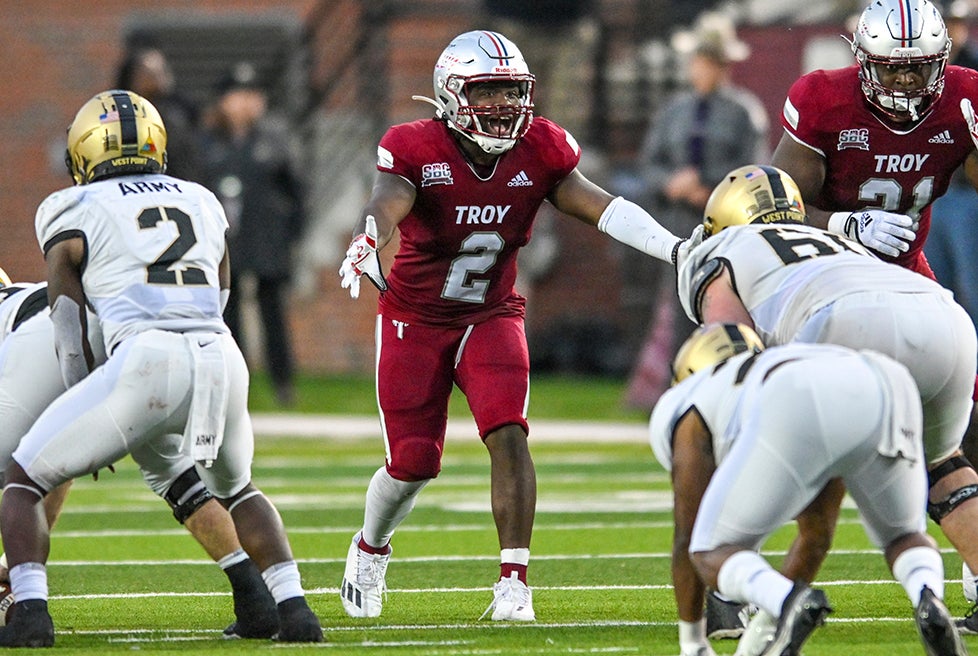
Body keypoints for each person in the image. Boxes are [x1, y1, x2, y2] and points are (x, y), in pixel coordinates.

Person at [336, 30, 698, 622]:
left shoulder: (540, 148)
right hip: (416, 318)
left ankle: (513, 584)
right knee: (413, 463)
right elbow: (386, 200)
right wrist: (369, 234)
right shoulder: (414, 148)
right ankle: (370, 546)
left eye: (512, 92)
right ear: (452, 96)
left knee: (508, 431)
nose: (504, 105)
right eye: (489, 92)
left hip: (490, 313)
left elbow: (602, 206)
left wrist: (674, 248)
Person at [0, 89, 322, 646]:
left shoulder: (69, 207)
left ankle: (28, 613)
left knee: (23, 477)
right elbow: (219, 291)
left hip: (132, 356)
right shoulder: (202, 198)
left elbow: (67, 314)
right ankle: (287, 608)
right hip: (218, 353)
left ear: (84, 152)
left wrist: (84, 396)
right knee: (232, 486)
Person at [677, 164, 978, 655]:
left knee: (772, 466)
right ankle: (929, 590)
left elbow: (732, 351)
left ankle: (741, 594)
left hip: (842, 325)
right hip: (943, 316)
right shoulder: (840, 240)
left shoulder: (721, 250)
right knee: (945, 466)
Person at [767, 0, 978, 628]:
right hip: (818, 277)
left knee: (961, 415)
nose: (908, 83)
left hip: (907, 278)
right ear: (861, 61)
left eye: (920, 69)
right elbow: (771, 204)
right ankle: (741, 567)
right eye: (893, 69)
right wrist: (843, 223)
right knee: (806, 437)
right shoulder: (824, 99)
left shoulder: (965, 99)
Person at [649, 322, 967, 656]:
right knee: (902, 536)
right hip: (885, 378)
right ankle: (927, 594)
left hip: (794, 397)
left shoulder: (685, 400)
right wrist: (762, 639)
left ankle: (783, 600)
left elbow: (687, 535)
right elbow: (816, 537)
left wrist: (693, 643)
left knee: (708, 551)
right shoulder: (772, 367)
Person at [0, 275, 279, 639]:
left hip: (54, 340)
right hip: (129, 334)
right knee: (174, 473)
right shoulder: (22, 293)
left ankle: (31, 612)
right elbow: (55, 473)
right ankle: (256, 597)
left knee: (21, 468)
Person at [621, 11, 768, 411]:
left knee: (727, 306)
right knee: (677, 309)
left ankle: (731, 391)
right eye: (699, 60)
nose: (703, 69)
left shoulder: (744, 113)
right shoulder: (673, 112)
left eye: (711, 61)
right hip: (677, 223)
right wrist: (671, 183)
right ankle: (679, 395)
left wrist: (709, 187)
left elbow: (753, 166)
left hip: (727, 227)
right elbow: (649, 165)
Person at [198, 62, 304, 406]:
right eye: (238, 95)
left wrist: (291, 233)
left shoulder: (274, 138)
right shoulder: (207, 141)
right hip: (226, 242)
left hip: (266, 239)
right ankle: (233, 379)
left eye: (252, 95)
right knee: (227, 313)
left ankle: (283, 382)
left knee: (272, 310)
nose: (246, 103)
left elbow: (296, 191)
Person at [924, 0, 978, 339]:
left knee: (973, 290)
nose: (952, 30)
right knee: (936, 292)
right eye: (944, 21)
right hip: (927, 193)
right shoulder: (916, 69)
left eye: (956, 21)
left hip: (967, 195)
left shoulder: (974, 70)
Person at [114, 46, 201, 182]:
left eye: (162, 71)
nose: (160, 78)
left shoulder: (177, 116)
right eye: (151, 73)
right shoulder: (116, 121)